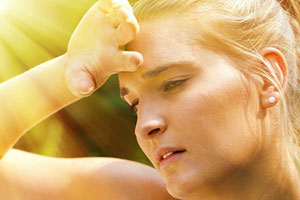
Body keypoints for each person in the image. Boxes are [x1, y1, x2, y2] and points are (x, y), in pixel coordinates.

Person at [1, 0, 300, 199]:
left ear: (267, 75)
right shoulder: (136, 193)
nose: (145, 125)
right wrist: (68, 69)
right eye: (135, 105)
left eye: (173, 84)